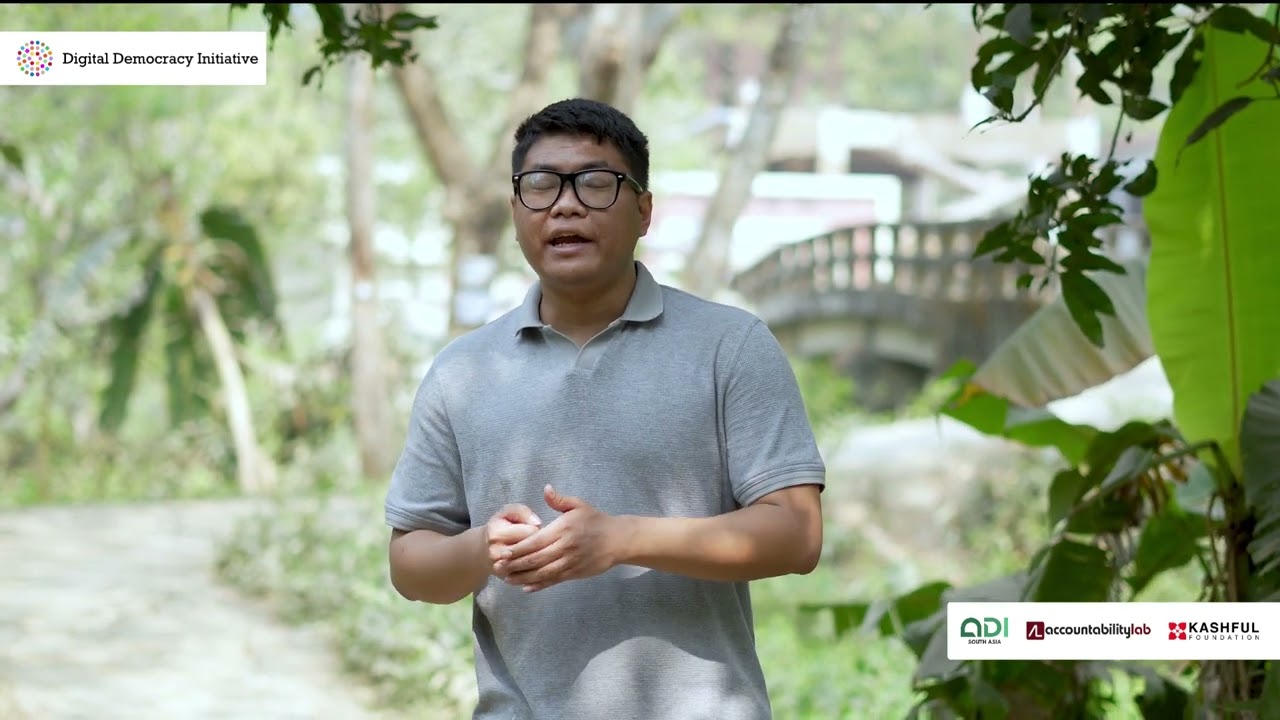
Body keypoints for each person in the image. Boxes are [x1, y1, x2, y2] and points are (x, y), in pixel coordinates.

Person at [383, 97, 826, 720]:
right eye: (541, 185)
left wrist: (620, 540)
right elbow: (410, 564)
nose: (565, 205)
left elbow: (797, 536)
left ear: (644, 211)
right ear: (516, 211)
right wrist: (483, 549)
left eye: (595, 183)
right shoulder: (462, 372)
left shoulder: (730, 346)